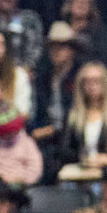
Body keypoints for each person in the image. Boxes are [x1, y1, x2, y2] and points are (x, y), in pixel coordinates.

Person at [57, 62, 107, 182]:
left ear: (105, 84)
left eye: (96, 81)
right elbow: (64, 151)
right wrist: (85, 159)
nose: (91, 85)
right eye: (87, 81)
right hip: (78, 173)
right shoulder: (72, 116)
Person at [30, 21, 82, 153]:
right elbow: (38, 112)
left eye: (61, 47)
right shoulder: (44, 78)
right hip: (45, 139)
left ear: (71, 50)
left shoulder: (79, 77)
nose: (56, 51)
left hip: (71, 139)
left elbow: (76, 114)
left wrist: (50, 130)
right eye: (52, 47)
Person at [59, 0, 107, 65]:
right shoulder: (60, 28)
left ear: (91, 6)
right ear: (70, 4)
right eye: (77, 0)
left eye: (86, 1)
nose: (81, 4)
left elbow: (104, 58)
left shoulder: (101, 31)